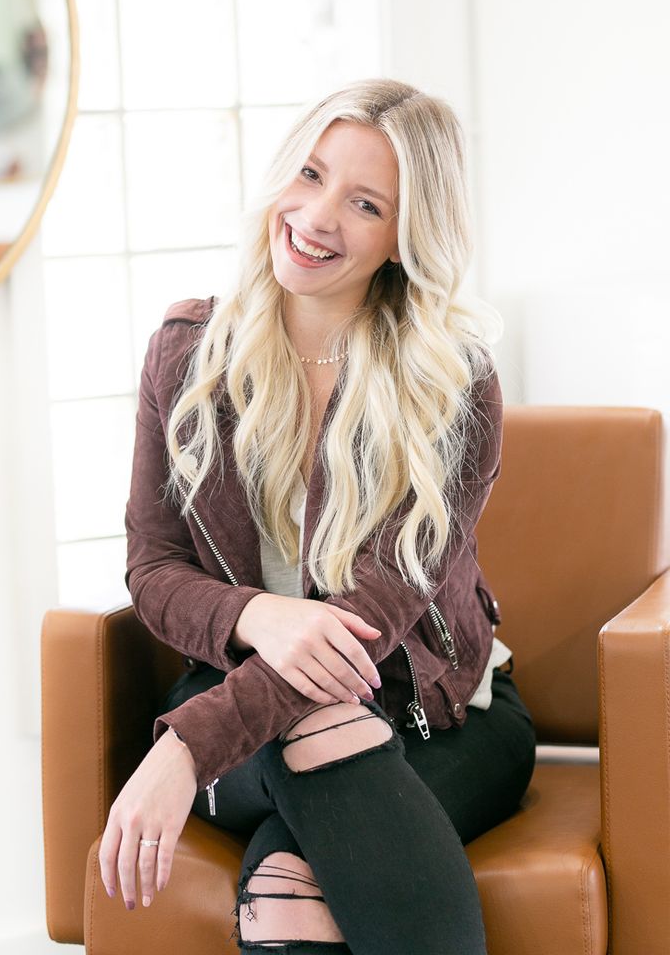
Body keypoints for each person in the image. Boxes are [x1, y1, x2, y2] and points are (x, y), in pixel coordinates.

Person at [98, 78, 537, 954]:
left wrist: (184, 749)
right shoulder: (186, 355)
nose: (317, 215)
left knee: (290, 883)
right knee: (316, 739)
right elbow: (152, 568)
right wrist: (260, 613)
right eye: (309, 173)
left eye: (365, 203)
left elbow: (367, 626)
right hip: (242, 700)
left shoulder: (452, 385)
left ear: (405, 240)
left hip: (438, 719)